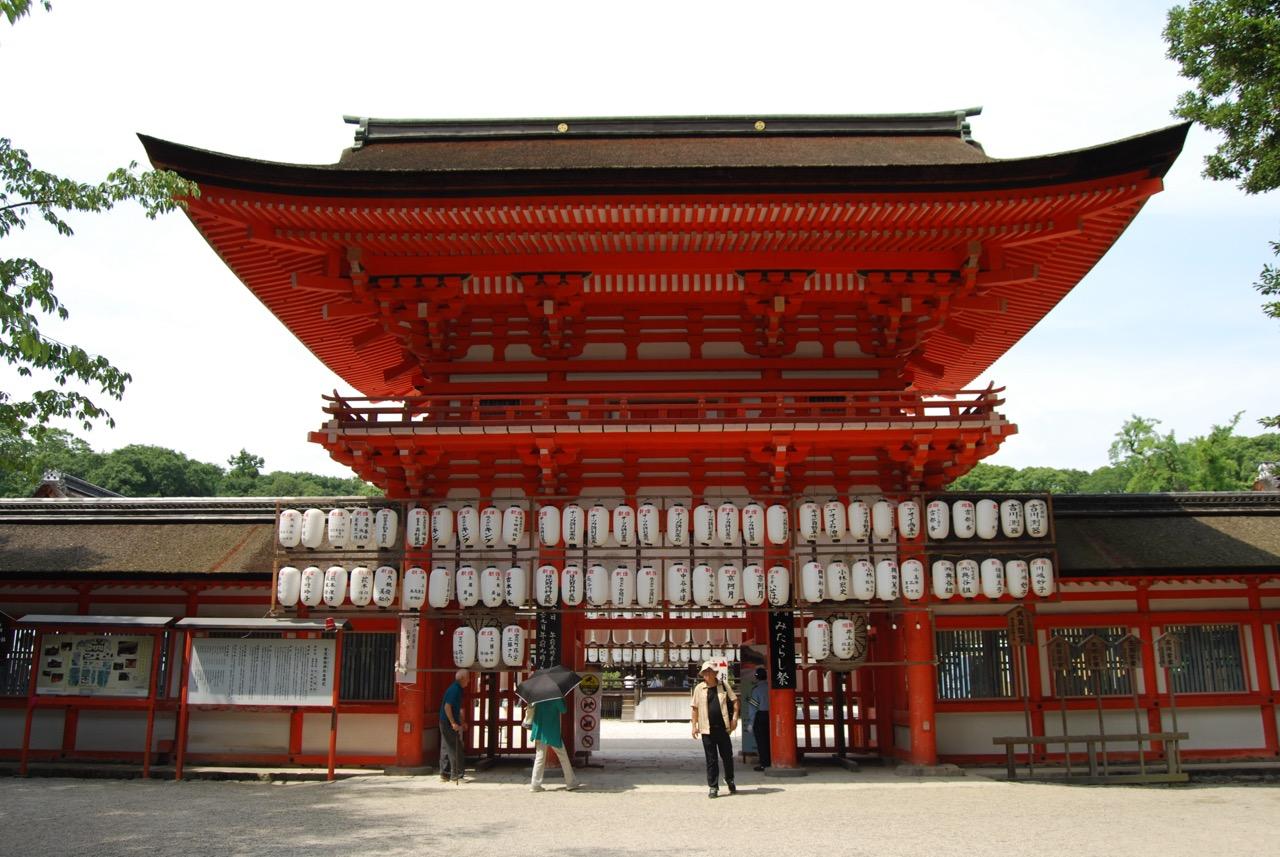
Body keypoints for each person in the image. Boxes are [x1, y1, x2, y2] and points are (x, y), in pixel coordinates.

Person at [690, 660, 739, 798]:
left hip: (723, 729)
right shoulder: (699, 688)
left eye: (709, 671)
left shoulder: (723, 685)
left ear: (714, 673)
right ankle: (713, 786)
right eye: (704, 672)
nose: (706, 674)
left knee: (727, 757)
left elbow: (735, 701)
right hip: (706, 730)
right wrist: (694, 726)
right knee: (711, 759)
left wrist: (734, 718)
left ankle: (730, 779)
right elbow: (694, 708)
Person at [528, 697, 582, 792]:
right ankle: (571, 782)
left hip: (539, 730)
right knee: (563, 756)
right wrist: (563, 699)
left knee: (539, 757)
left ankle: (535, 784)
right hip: (551, 730)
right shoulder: (555, 697)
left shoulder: (537, 697)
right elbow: (563, 710)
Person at [439, 669, 469, 784]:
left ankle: (444, 774)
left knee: (446, 748)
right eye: (468, 677)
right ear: (462, 678)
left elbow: (456, 709)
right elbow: (448, 707)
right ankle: (456, 775)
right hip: (447, 722)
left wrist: (462, 722)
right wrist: (453, 723)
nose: (469, 680)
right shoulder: (455, 689)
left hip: (445, 721)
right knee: (455, 747)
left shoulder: (457, 689)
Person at [748, 666, 771, 770]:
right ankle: (772, 760)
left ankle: (764, 763)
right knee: (770, 740)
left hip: (760, 716)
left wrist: (751, 723)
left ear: (756, 677)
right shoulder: (770, 688)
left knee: (762, 741)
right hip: (771, 716)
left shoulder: (756, 690)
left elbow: (753, 707)